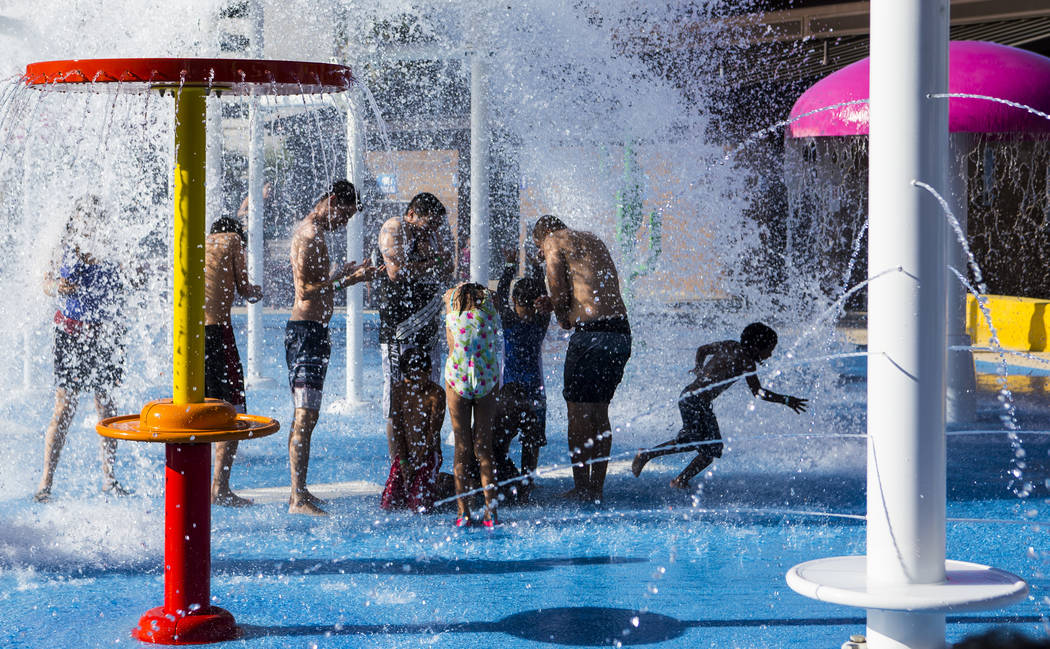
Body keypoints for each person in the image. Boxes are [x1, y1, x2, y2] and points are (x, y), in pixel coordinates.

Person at [286, 180, 382, 515]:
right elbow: (304, 292)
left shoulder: (316, 234)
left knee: (308, 417)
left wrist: (338, 273)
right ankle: (297, 497)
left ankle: (301, 491)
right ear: (330, 201)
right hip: (305, 333)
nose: (343, 223)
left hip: (314, 332)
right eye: (343, 214)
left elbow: (317, 282)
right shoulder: (309, 235)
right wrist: (348, 281)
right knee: (303, 415)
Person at [35, 196, 132, 503]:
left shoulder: (109, 249)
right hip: (70, 333)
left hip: (105, 335)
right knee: (64, 407)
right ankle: (46, 481)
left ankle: (109, 478)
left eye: (96, 217)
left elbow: (123, 284)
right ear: (75, 221)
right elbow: (46, 283)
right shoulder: (63, 247)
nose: (91, 223)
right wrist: (57, 288)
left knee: (106, 405)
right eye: (85, 217)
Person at [631, 323, 808, 489]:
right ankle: (649, 457)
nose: (769, 355)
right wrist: (786, 400)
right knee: (700, 443)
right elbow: (758, 392)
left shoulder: (730, 345)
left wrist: (699, 369)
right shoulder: (747, 362)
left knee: (711, 447)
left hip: (691, 398)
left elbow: (702, 350)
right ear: (756, 347)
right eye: (768, 351)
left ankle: (679, 479)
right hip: (695, 402)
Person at [533, 215, 631, 503]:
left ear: (542, 237)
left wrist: (557, 310)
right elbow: (591, 291)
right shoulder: (592, 239)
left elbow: (561, 295)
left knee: (577, 414)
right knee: (600, 414)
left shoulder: (553, 241)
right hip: (619, 333)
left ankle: (581, 487)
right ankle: (597, 489)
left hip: (591, 337)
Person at [376, 193, 453, 464]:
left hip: (428, 328)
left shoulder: (430, 234)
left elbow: (449, 266)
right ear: (411, 214)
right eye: (429, 224)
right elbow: (395, 272)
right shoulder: (394, 228)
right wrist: (433, 263)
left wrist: (432, 259)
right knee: (397, 398)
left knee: (431, 394)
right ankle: (399, 464)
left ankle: (427, 460)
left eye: (436, 226)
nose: (433, 230)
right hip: (399, 331)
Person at [204, 216, 262, 507]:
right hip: (216, 333)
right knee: (232, 409)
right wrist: (256, 291)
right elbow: (244, 288)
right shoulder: (233, 240)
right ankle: (220, 489)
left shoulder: (200, 245)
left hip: (188, 338)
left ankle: (199, 485)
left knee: (198, 407)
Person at [492, 250, 552, 503]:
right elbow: (538, 291)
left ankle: (504, 473)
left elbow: (500, 294)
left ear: (515, 301)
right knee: (532, 439)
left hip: (509, 390)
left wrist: (509, 264)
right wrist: (538, 267)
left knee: (504, 436)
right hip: (535, 390)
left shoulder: (508, 320)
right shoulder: (541, 321)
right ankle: (527, 480)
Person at [444, 282, 503, 527]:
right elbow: (495, 294)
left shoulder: (451, 306)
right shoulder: (490, 309)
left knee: (462, 448)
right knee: (484, 448)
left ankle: (463, 513)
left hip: (458, 378)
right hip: (486, 378)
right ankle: (491, 512)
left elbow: (450, 344)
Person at [380, 347, 452, 512]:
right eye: (409, 380)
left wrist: (417, 463)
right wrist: (405, 462)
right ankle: (440, 484)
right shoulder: (399, 389)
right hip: (406, 455)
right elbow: (397, 429)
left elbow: (433, 434)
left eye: (418, 379)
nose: (413, 385)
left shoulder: (436, 394)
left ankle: (445, 486)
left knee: (419, 507)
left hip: (428, 454)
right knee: (388, 504)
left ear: (429, 371)